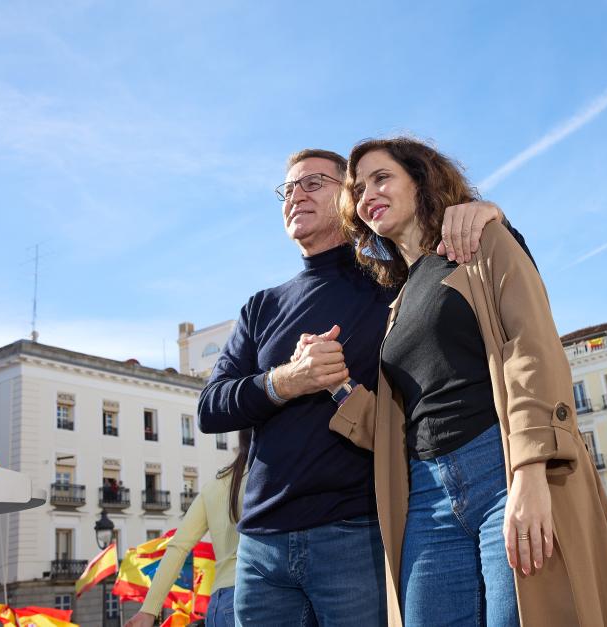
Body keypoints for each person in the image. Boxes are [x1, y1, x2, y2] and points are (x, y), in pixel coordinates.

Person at [323, 137, 607, 626]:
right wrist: (338, 389)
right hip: (426, 496)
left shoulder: (480, 243)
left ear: (421, 179)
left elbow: (530, 348)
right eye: (358, 188)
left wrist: (530, 473)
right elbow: (403, 421)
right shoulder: (397, 303)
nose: (367, 194)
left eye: (381, 177)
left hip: (502, 469)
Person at [197, 147, 507, 626]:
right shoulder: (260, 307)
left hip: (356, 534)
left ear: (351, 199)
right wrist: (286, 380)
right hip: (260, 545)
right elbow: (210, 409)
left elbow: (476, 276)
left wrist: (485, 214)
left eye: (313, 183)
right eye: (288, 188)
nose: (295, 196)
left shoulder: (394, 283)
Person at [124, 429, 251, 627]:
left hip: (218, 604)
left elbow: (178, 547)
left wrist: (148, 610)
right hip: (256, 595)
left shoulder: (214, 486)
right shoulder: (270, 475)